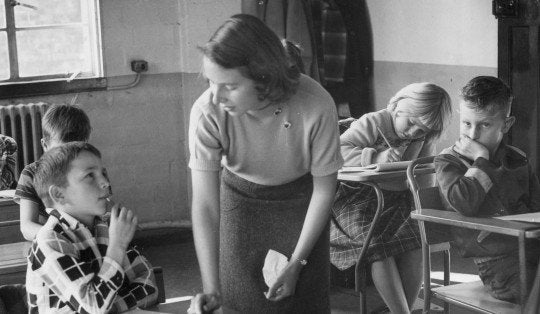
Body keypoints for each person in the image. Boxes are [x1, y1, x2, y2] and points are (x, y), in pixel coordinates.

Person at [187, 14, 343, 314]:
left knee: (305, 303)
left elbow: (324, 191)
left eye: (229, 86)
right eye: (210, 82)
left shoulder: (315, 103)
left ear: (264, 77)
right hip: (241, 203)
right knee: (241, 303)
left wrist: (298, 263)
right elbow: (205, 205)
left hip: (304, 205)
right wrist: (211, 287)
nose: (216, 96)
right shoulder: (206, 111)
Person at [330, 82, 452, 314]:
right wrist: (377, 156)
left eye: (423, 130)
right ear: (397, 107)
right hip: (354, 198)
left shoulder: (421, 136)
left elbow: (422, 176)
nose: (415, 132)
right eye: (412, 123)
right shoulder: (373, 122)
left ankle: (398, 310)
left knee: (417, 240)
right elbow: (338, 151)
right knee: (377, 245)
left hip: (396, 200)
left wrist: (426, 198)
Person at [435, 76, 540, 303]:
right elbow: (464, 203)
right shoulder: (448, 162)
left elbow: (536, 206)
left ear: (507, 124)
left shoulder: (517, 159)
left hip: (532, 251)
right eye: (467, 124)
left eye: (484, 125)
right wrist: (481, 160)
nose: (472, 135)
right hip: (497, 264)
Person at [26, 142, 158, 313]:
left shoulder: (107, 225)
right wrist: (117, 247)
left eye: (103, 173)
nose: (105, 182)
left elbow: (148, 285)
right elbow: (93, 307)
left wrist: (110, 308)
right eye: (90, 175)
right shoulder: (50, 239)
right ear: (59, 194)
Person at [14, 103, 92, 241]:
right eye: (61, 151)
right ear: (45, 145)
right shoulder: (31, 174)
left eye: (77, 150)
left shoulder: (91, 171)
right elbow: (26, 227)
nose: (68, 158)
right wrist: (64, 237)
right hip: (51, 241)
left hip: (88, 239)